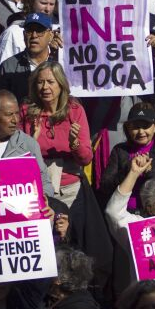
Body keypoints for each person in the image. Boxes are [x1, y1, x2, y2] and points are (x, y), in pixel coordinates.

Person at [20, 62, 91, 207]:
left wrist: (74, 143)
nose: (45, 87)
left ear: (61, 84)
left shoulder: (75, 110)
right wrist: (32, 141)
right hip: (34, 187)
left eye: (50, 82)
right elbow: (17, 157)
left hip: (69, 190)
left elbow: (86, 159)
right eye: (40, 82)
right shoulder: (26, 112)